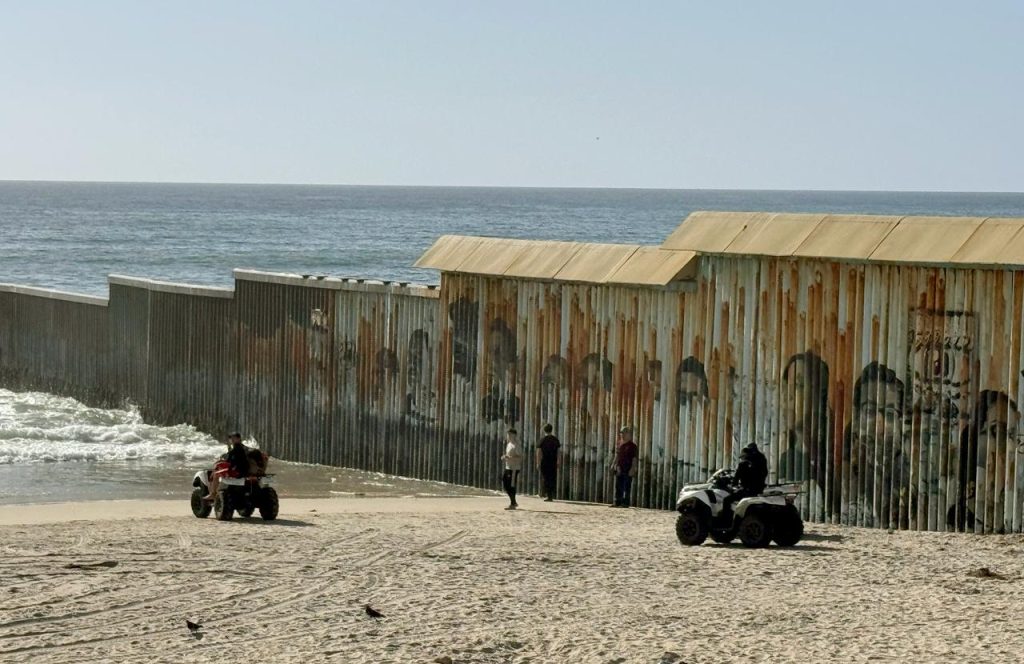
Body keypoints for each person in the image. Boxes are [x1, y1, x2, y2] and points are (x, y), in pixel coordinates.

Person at [722, 442, 768, 514]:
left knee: (726, 500)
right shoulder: (762, 459)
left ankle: (725, 519)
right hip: (759, 489)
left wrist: (734, 484)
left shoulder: (743, 464)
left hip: (747, 490)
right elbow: (765, 473)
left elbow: (736, 478)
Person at [204, 432, 250, 502]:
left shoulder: (236, 448)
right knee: (219, 469)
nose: (232, 440)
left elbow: (230, 462)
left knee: (216, 474)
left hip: (237, 471)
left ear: (239, 439)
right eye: (231, 438)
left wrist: (222, 462)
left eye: (234, 438)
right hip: (244, 470)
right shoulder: (242, 447)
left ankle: (213, 494)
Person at [610, 426, 639, 507]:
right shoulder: (620, 444)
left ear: (629, 434)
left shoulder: (633, 446)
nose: (622, 435)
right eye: (621, 433)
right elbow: (617, 455)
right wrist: (613, 464)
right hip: (620, 468)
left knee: (627, 486)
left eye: (624, 433)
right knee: (618, 485)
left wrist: (633, 468)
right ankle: (617, 501)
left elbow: (634, 458)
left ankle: (625, 503)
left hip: (628, 468)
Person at [535, 423, 561, 501]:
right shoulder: (555, 440)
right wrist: (558, 461)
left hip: (545, 461)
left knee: (545, 478)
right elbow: (559, 452)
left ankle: (547, 494)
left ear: (544, 430)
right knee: (552, 478)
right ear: (551, 430)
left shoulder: (542, 440)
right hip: (553, 461)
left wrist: (538, 463)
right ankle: (550, 495)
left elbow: (539, 452)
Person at [500, 428, 523, 510]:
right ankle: (513, 502)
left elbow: (520, 456)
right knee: (505, 482)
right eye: (508, 434)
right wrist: (504, 456)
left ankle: (513, 503)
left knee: (511, 485)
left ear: (515, 435)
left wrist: (510, 457)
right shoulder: (509, 444)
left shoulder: (516, 445)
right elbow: (508, 454)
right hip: (508, 467)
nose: (508, 436)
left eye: (510, 434)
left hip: (514, 468)